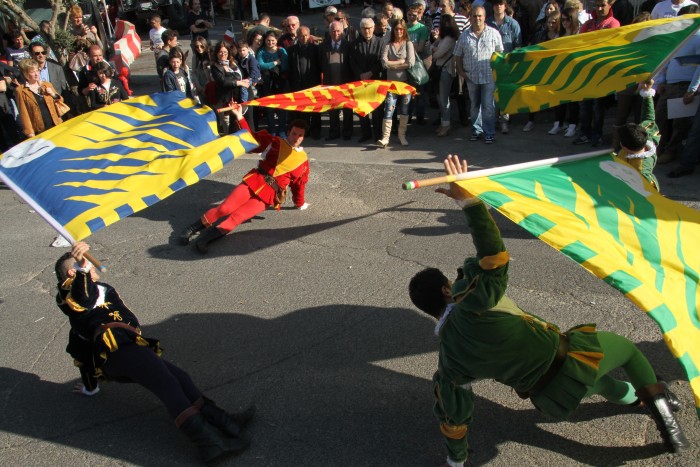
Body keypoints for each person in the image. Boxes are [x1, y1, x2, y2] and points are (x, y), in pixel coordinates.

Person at [408, 154, 690, 467]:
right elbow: (493, 258)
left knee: (607, 386)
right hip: (571, 360)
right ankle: (665, 418)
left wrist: (456, 460)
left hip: (553, 399)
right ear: (447, 291)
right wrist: (470, 203)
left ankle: (641, 399)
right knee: (629, 353)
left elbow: (453, 414)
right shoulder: (474, 304)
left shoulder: (449, 360)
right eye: (451, 282)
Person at [55, 242, 254, 463]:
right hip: (117, 351)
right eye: (84, 264)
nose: (91, 265)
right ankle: (210, 445)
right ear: (72, 272)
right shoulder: (68, 295)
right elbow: (84, 300)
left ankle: (227, 424)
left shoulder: (102, 288)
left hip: (131, 347)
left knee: (179, 378)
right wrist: (82, 268)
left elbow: (81, 353)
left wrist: (90, 388)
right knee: (167, 385)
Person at [178, 103, 311, 254]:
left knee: (237, 217)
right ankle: (191, 229)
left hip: (269, 195)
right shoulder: (274, 142)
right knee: (225, 208)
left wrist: (300, 203)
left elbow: (299, 185)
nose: (296, 138)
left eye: (300, 135)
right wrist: (239, 116)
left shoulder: (303, 161)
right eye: (294, 133)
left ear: (303, 137)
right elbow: (250, 139)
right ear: (288, 132)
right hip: (255, 180)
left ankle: (205, 239)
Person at [653, 4, 700, 165]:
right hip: (670, 85)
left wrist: (691, 90)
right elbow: (668, 59)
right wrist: (662, 81)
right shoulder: (678, 37)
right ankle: (658, 148)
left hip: (684, 86)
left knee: (679, 123)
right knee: (659, 118)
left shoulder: (699, 38)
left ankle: (671, 151)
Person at [572, 0, 619, 147]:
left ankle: (597, 134)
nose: (599, 8)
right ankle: (584, 133)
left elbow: (610, 46)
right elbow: (579, 43)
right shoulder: (588, 24)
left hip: (601, 72)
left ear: (610, 5)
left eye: (602, 5)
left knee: (598, 106)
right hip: (585, 71)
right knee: (584, 105)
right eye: (597, 5)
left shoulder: (613, 24)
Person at [454, 6, 503, 144]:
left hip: (489, 76)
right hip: (471, 77)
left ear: (484, 17)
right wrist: (461, 71)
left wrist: (498, 71)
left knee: (488, 106)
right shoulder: (464, 36)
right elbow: (457, 55)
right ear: (470, 17)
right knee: (474, 105)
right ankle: (476, 130)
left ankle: (489, 133)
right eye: (474, 16)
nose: (477, 18)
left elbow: (500, 53)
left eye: (480, 16)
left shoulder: (493, 33)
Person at [615, 80, 660, 190]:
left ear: (623, 146)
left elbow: (651, 194)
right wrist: (647, 91)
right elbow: (648, 117)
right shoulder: (645, 135)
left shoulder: (643, 174)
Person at [377, 19, 415, 147]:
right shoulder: (388, 44)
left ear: (404, 30)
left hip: (404, 83)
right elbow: (384, 62)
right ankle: (385, 137)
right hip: (391, 84)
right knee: (389, 109)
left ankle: (402, 135)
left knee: (404, 110)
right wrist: (400, 62)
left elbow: (410, 63)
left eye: (401, 29)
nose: (399, 31)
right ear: (393, 30)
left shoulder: (408, 44)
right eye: (396, 29)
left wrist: (392, 65)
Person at [487, 0, 522, 134]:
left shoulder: (513, 24)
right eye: (496, 4)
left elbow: (518, 46)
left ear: (505, 6)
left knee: (504, 94)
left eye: (500, 4)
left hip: (507, 65)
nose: (498, 6)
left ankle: (504, 122)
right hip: (490, 64)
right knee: (491, 94)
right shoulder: (487, 23)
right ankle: (493, 121)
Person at [349, 17, 385, 143]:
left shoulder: (381, 42)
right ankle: (366, 133)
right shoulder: (354, 44)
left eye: (369, 28)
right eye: (364, 28)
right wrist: (360, 74)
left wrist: (370, 73)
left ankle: (377, 134)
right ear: (360, 29)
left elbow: (381, 61)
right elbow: (352, 61)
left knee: (377, 110)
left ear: (373, 28)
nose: (367, 31)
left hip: (375, 80)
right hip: (360, 81)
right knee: (362, 108)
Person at [320, 21, 354, 141]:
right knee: (332, 109)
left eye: (338, 31)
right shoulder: (323, 46)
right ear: (329, 32)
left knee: (347, 109)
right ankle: (334, 132)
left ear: (342, 32)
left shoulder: (349, 46)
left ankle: (347, 132)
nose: (336, 33)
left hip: (346, 83)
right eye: (333, 31)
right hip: (330, 83)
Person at [15, 58, 64, 138]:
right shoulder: (20, 91)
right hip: (40, 130)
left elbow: (60, 101)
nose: (36, 74)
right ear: (25, 74)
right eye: (32, 72)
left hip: (56, 124)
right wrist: (30, 133)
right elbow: (24, 113)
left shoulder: (46, 84)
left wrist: (52, 94)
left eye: (37, 70)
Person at [288, 26, 322, 139]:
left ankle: (316, 131)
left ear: (309, 35)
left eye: (306, 35)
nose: (304, 38)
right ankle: (304, 131)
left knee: (315, 109)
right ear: (297, 36)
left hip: (313, 84)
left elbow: (320, 66)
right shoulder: (291, 50)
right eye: (301, 36)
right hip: (298, 84)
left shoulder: (316, 49)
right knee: (302, 110)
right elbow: (290, 68)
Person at [211, 41, 249, 135]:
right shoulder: (215, 67)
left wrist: (245, 80)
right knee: (228, 126)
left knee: (239, 124)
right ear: (216, 53)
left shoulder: (233, 63)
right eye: (220, 52)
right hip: (226, 100)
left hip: (239, 98)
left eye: (225, 52)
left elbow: (240, 75)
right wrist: (239, 83)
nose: (223, 54)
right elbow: (223, 82)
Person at [431, 14, 459, 136]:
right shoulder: (443, 38)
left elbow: (437, 54)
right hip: (440, 70)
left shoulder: (449, 39)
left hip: (446, 70)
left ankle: (446, 124)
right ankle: (443, 123)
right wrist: (436, 46)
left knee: (444, 99)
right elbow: (432, 47)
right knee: (440, 98)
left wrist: (435, 50)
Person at [257, 31, 288, 137]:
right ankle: (272, 130)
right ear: (265, 40)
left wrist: (269, 66)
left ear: (277, 40)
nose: (270, 43)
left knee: (282, 107)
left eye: (273, 40)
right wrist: (275, 63)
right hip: (267, 83)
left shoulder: (281, 50)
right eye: (268, 40)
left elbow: (285, 65)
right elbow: (260, 65)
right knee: (269, 107)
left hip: (280, 82)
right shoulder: (261, 52)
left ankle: (282, 129)